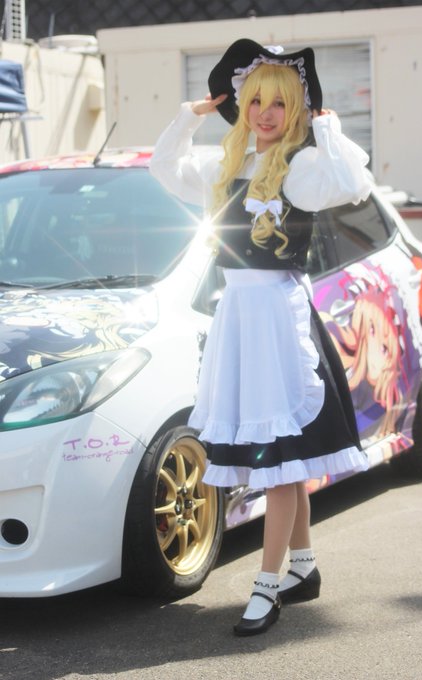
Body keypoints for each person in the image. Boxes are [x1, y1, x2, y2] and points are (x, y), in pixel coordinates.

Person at [149, 38, 371, 637]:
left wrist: (327, 127)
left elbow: (353, 183)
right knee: (281, 459)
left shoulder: (302, 168)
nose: (265, 114)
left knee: (278, 462)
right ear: (240, 104)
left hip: (278, 319)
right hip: (239, 319)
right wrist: (189, 116)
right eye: (255, 101)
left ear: (295, 109)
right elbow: (164, 168)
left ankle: (267, 586)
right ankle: (303, 567)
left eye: (279, 103)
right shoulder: (226, 166)